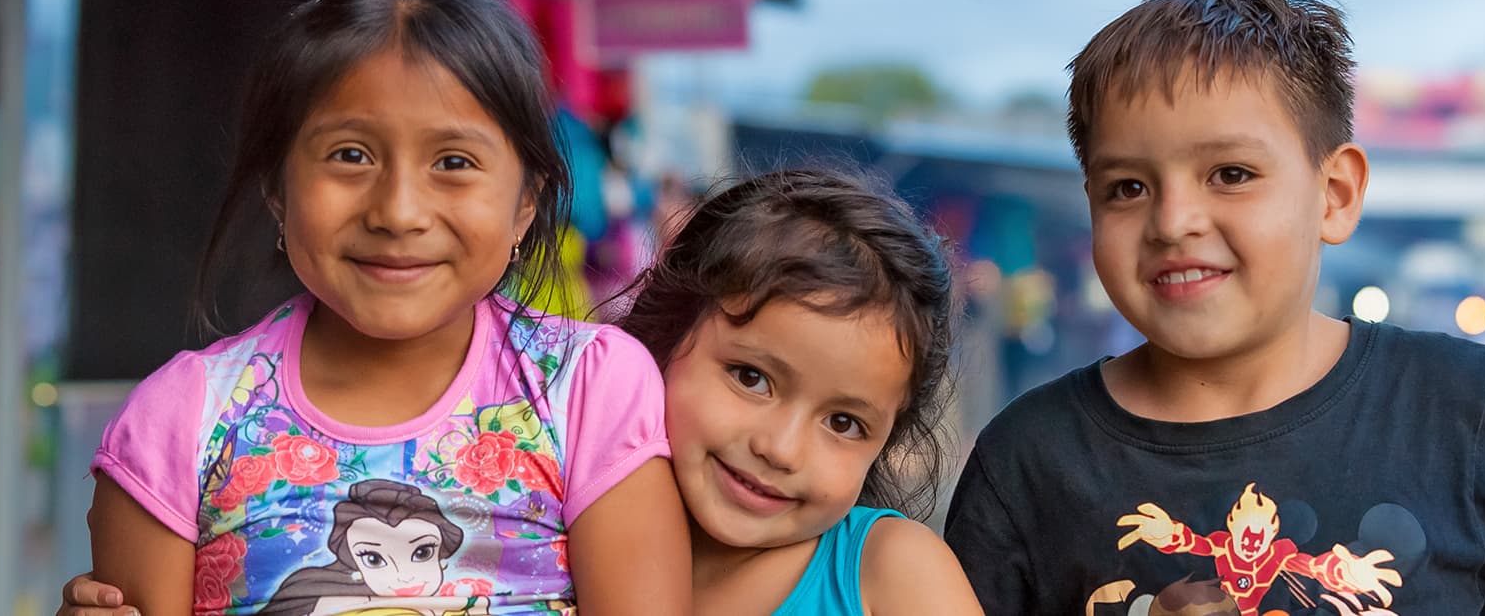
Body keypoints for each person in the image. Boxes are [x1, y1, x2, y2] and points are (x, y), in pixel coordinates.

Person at [942, 0, 1485, 616]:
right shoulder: (1028, 462)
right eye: (1127, 188)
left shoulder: (1454, 408)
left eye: (1231, 174)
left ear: (1334, 195)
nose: (1173, 220)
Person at [65, 169, 982, 615]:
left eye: (846, 423)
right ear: (656, 345)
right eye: (750, 377)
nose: (782, 446)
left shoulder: (889, 579)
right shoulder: (526, 543)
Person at [85, 0, 689, 615]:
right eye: (351, 155)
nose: (398, 212)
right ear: (278, 191)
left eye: (454, 162)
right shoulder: (181, 422)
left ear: (525, 204)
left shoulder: (588, 391)